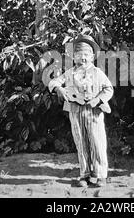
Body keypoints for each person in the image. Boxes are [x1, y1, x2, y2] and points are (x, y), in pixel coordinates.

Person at [48, 34, 114, 187]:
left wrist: (98, 100)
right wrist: (59, 89)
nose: (83, 58)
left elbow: (108, 89)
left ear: (92, 56)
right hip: (76, 111)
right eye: (79, 54)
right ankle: (85, 174)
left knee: (97, 141)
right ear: (74, 56)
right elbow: (54, 81)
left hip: (94, 112)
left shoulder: (97, 73)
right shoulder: (70, 73)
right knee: (81, 141)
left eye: (86, 54)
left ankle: (100, 174)